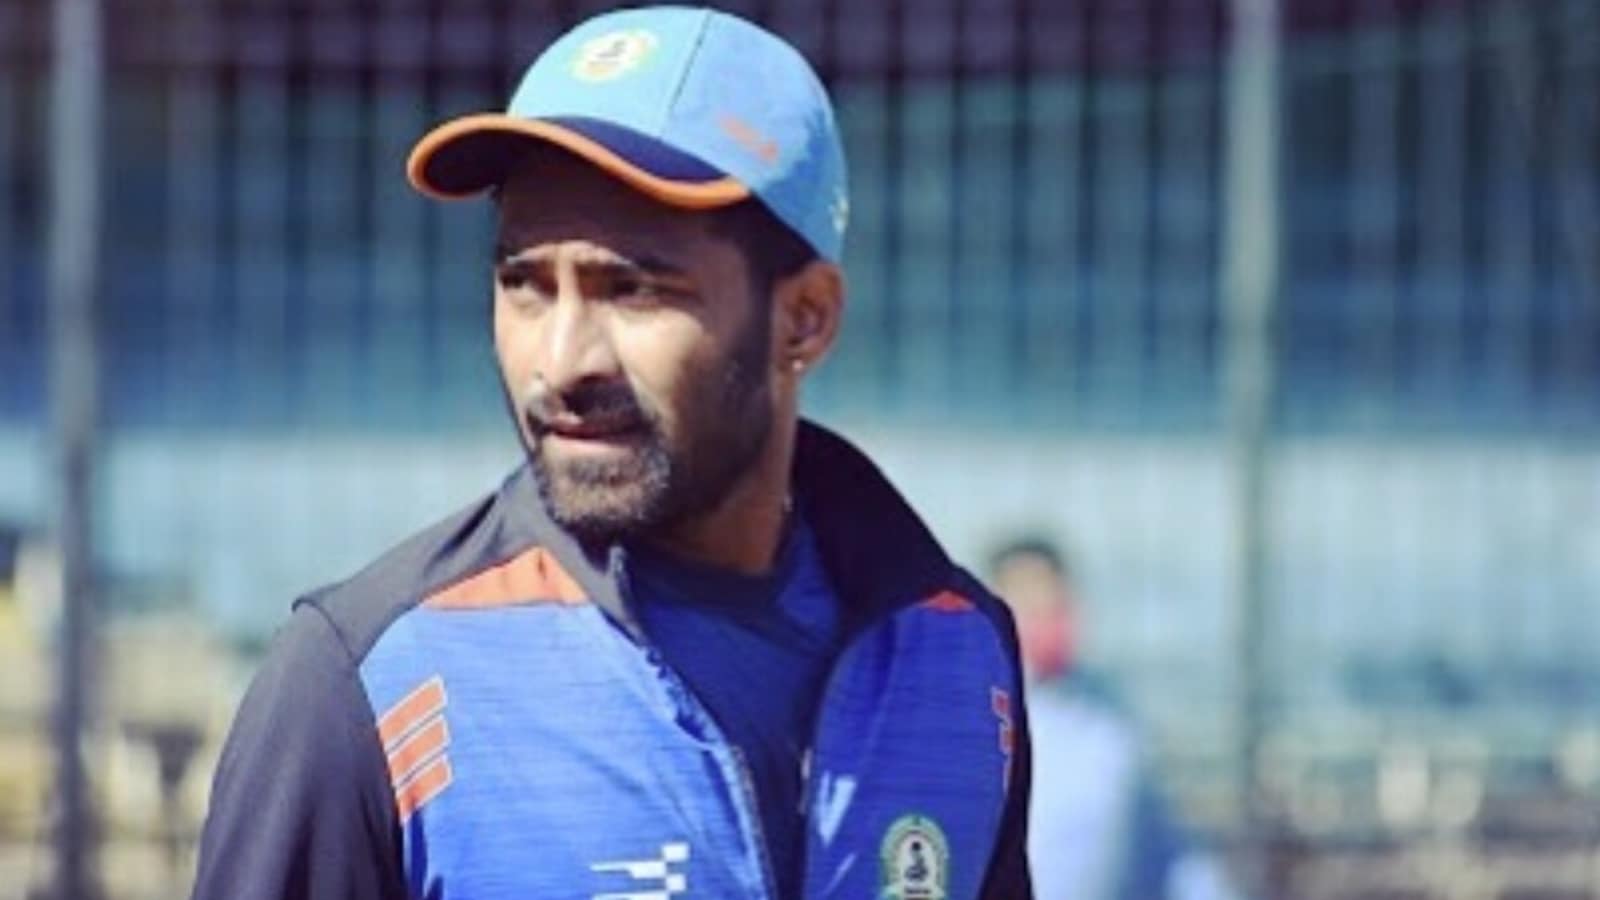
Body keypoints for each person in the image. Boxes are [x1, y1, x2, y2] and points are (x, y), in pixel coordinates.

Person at [192, 8, 1032, 900]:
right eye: (523, 283)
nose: (560, 363)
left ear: (805, 319)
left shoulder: (957, 656)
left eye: (632, 290)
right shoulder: (362, 680)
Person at [989, 536, 1240, 900]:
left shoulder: (1110, 726)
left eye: (1054, 606)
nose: (1044, 621)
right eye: (1030, 606)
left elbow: (1167, 853)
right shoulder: (971, 718)